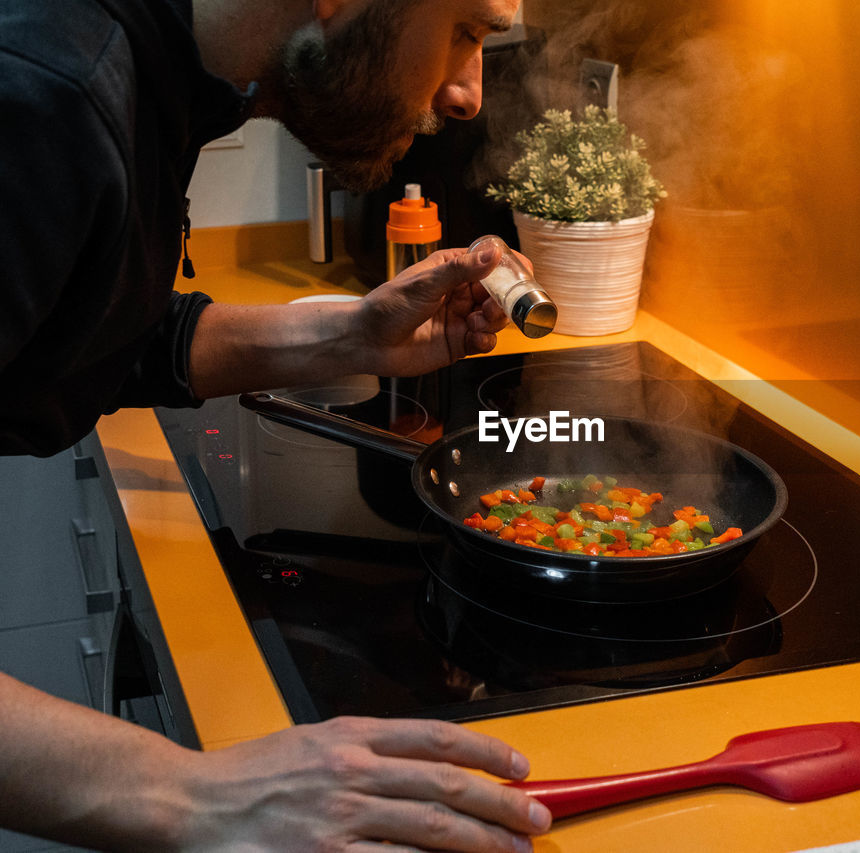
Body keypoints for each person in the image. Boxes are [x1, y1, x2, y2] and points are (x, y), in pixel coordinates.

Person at [0, 0, 553, 849]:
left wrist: (351, 334)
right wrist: (190, 794)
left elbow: (106, 333)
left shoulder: (160, 77)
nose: (467, 93)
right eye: (467, 32)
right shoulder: (41, 93)